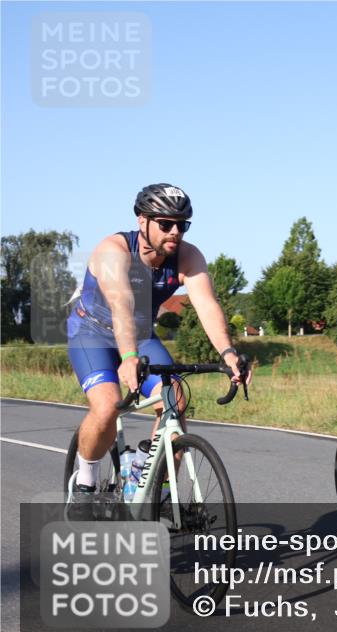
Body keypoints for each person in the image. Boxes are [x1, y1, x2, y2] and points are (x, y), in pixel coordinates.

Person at [66, 183, 249, 507]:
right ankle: (84, 483)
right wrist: (129, 356)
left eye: (182, 224)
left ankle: (157, 491)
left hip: (140, 334)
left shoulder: (188, 257)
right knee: (108, 406)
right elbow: (121, 302)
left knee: (174, 401)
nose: (175, 231)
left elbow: (206, 305)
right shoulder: (114, 250)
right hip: (92, 333)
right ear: (142, 221)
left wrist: (229, 354)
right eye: (166, 223)